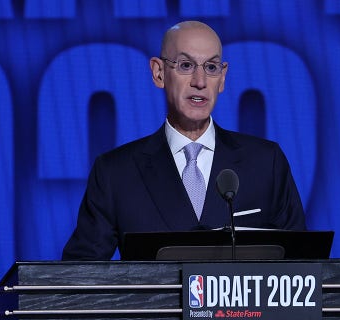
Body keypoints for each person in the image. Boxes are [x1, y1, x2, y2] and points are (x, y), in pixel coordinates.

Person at [62, 21, 306, 260]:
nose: (199, 81)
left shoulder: (265, 162)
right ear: (159, 73)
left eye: (211, 68)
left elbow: (302, 267)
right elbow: (77, 276)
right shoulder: (115, 172)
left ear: (222, 78)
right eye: (186, 65)